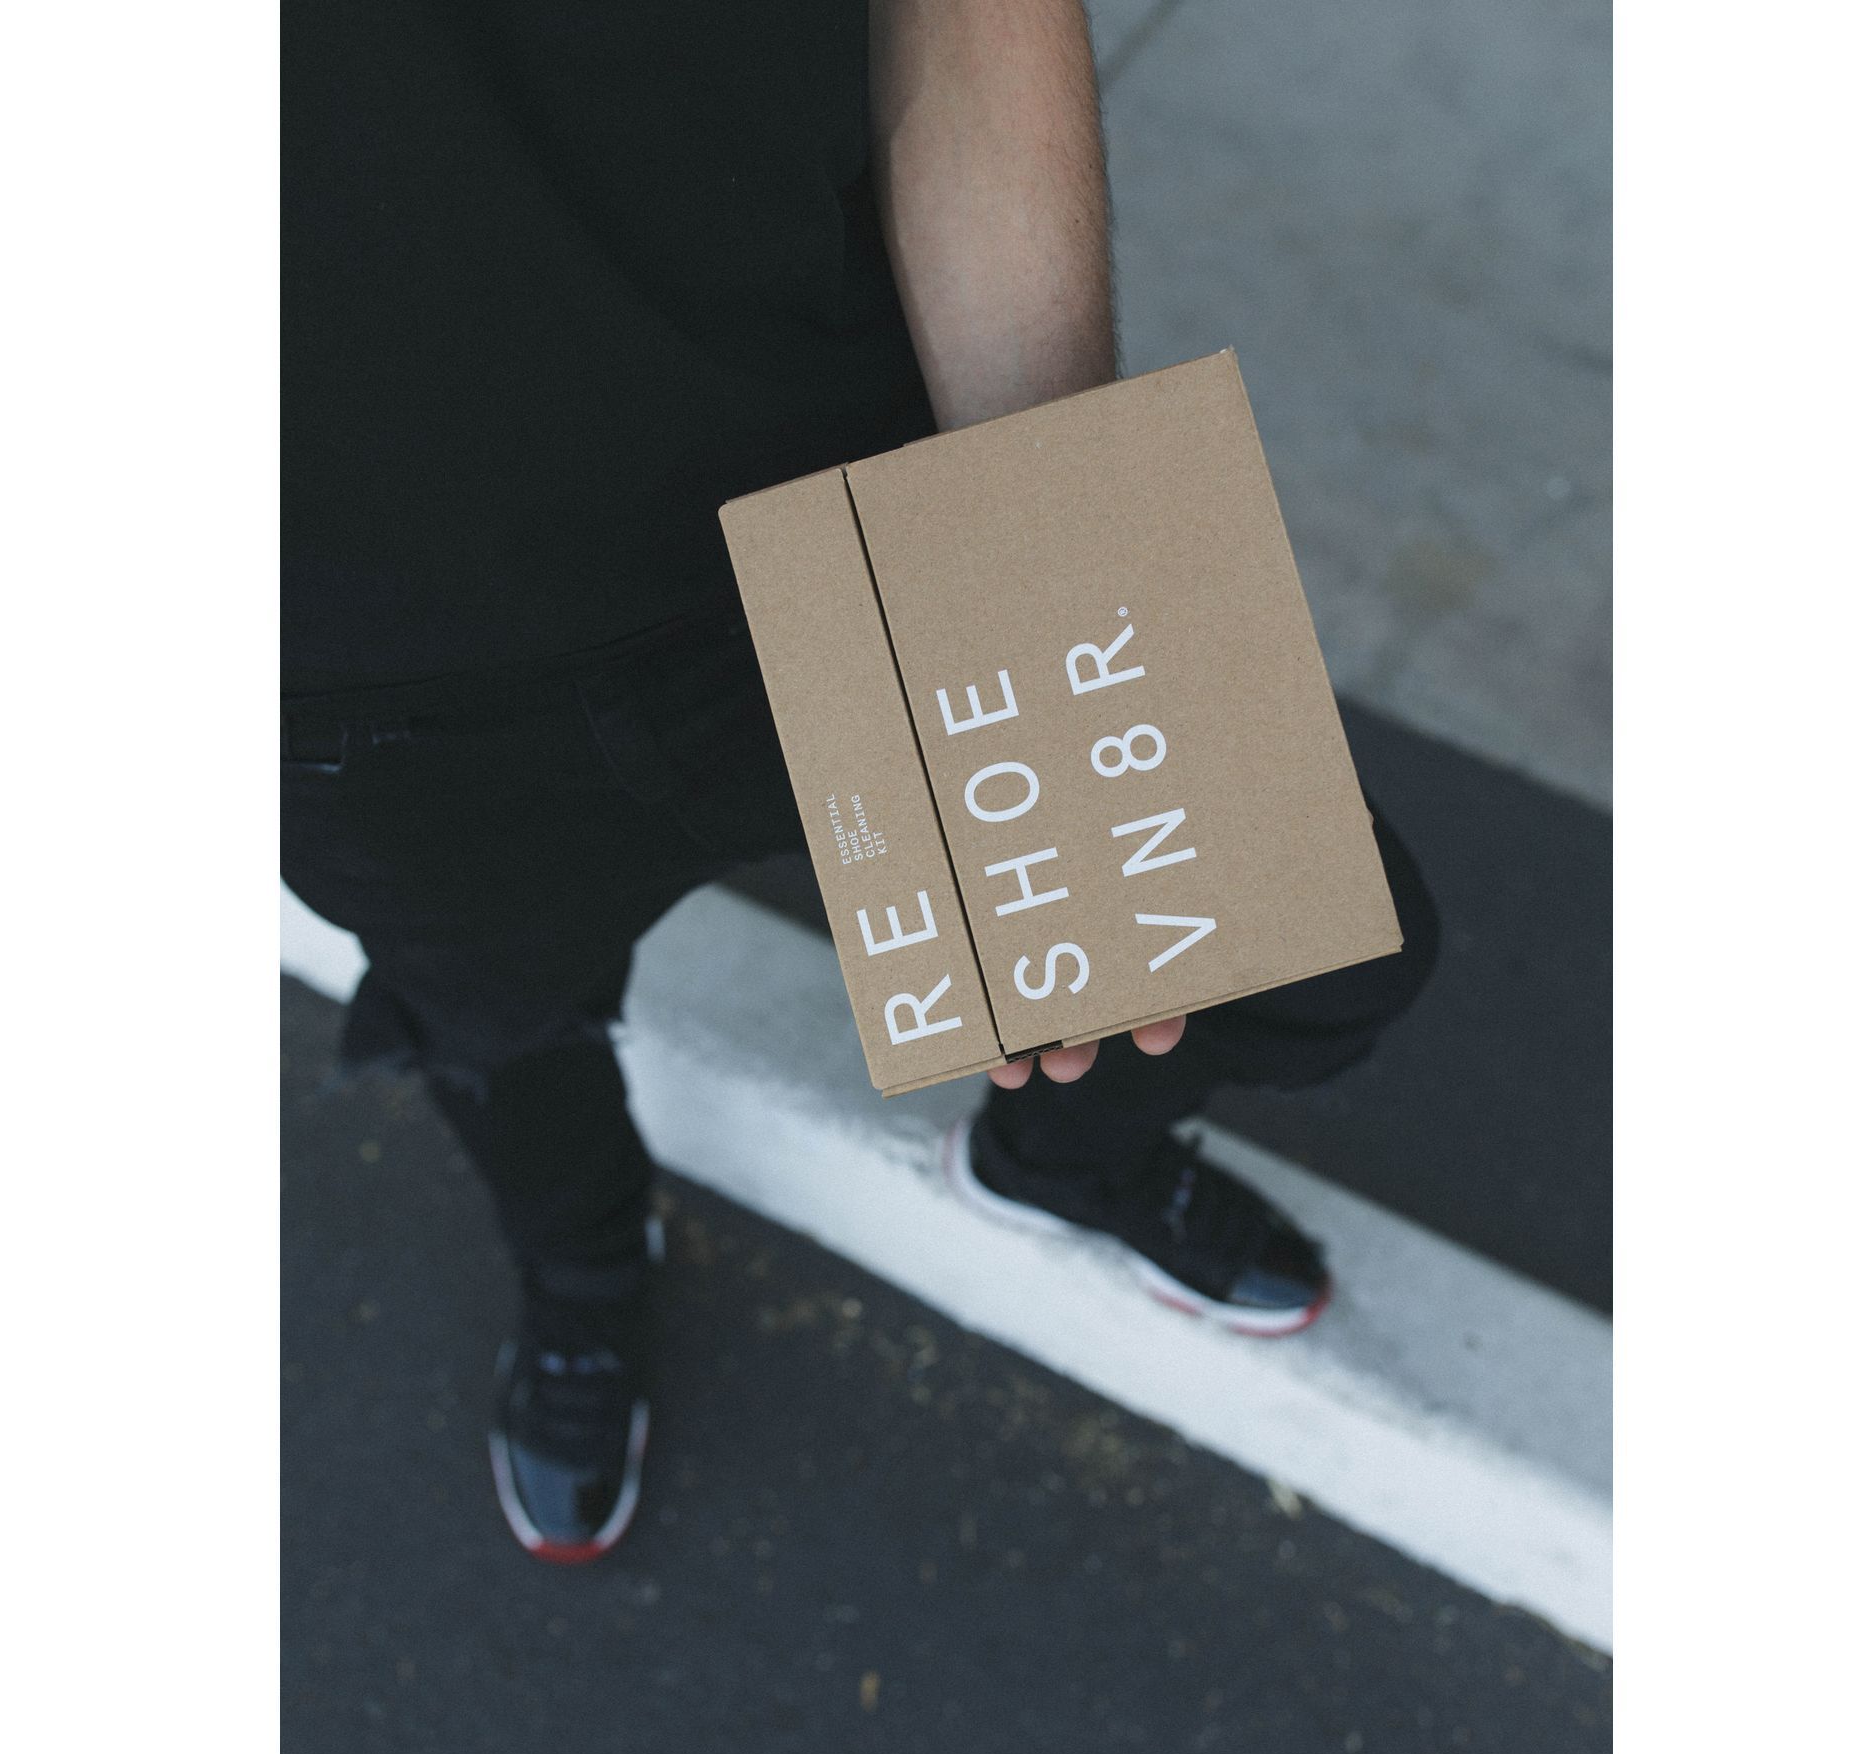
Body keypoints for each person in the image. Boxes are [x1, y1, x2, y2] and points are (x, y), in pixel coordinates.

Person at [283, 0, 1438, 1563]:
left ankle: (1059, 1159)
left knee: (1323, 947)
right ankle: (584, 1269)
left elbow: (960, 23)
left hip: (847, 488)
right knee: (494, 1027)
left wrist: (1036, 543)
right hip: (351, 673)